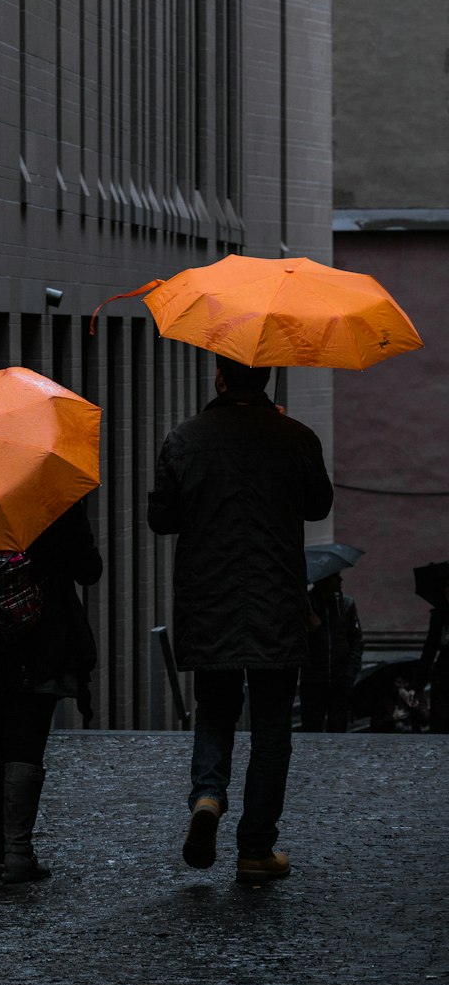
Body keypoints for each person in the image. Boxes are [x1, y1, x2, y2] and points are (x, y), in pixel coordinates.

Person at [148, 355, 333, 884]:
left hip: (210, 601)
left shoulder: (185, 438)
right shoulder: (295, 436)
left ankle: (208, 795)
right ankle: (255, 848)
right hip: (277, 601)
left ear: (220, 378)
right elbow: (319, 506)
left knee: (214, 712)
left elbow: (161, 518)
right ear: (267, 379)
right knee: (273, 728)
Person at [0, 499, 101, 884]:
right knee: (27, 743)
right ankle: (17, 853)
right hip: (41, 640)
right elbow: (89, 570)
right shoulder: (55, 496)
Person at [300, 571, 363, 732]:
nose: (340, 579)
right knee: (311, 729)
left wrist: (350, 673)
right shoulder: (306, 604)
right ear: (324, 579)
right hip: (313, 680)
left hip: (340, 680)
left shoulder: (346, 604)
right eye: (336, 576)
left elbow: (356, 640)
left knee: (338, 730)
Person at [411, 562, 449, 733]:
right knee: (441, 726)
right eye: (447, 586)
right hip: (443, 677)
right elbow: (429, 650)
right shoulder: (439, 616)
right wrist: (416, 685)